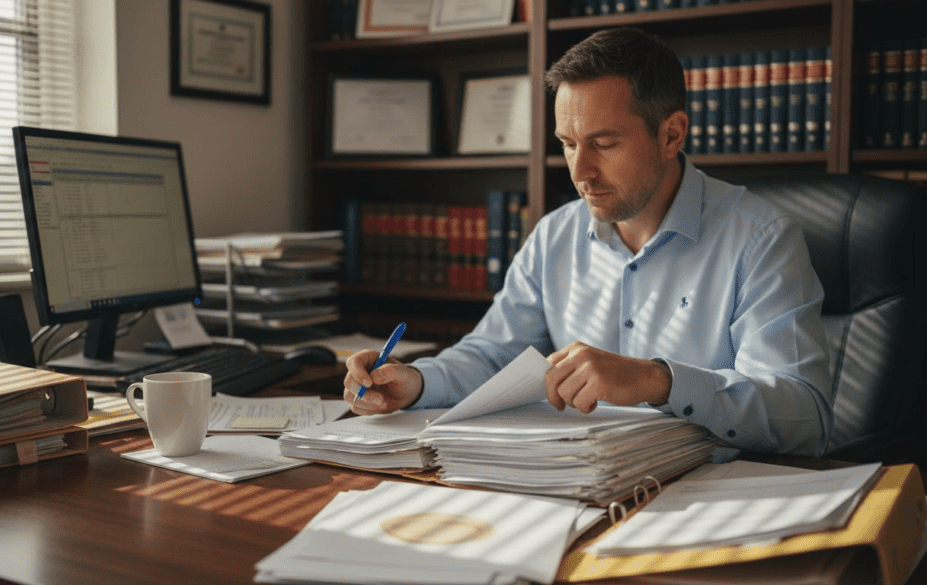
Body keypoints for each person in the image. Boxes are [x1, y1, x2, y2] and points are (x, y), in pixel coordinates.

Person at [343, 27, 833, 456]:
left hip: (709, 502)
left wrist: (657, 380)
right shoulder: (555, 235)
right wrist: (417, 381)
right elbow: (493, 355)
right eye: (568, 144)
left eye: (603, 144)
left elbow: (805, 416)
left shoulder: (761, 238)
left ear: (671, 134)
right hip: (574, 484)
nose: (580, 172)